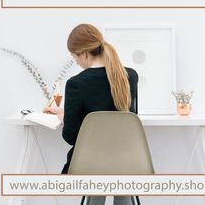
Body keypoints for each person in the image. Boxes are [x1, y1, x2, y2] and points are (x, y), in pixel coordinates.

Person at [44, 23, 138, 205]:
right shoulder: (130, 76)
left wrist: (65, 117)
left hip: (90, 162)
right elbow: (130, 120)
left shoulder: (76, 84)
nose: (76, 61)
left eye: (74, 56)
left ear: (84, 54)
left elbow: (71, 137)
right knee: (120, 172)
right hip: (129, 159)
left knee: (97, 165)